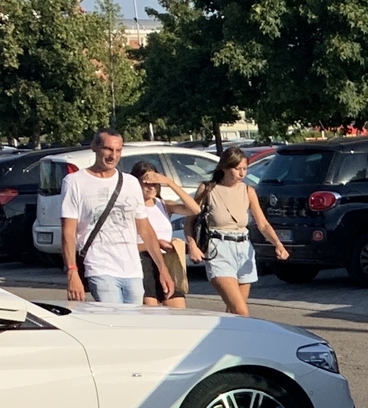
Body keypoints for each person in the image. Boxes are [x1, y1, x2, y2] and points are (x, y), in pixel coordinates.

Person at [59, 130, 165, 306]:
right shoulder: (74, 182)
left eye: (118, 150)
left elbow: (145, 229)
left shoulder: (130, 182)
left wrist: (163, 269)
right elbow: (68, 232)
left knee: (131, 325)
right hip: (99, 266)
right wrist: (72, 272)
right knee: (113, 317)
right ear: (95, 147)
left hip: (132, 270)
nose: (113, 156)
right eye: (108, 149)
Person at [187, 148, 290, 315]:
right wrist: (192, 245)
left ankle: (226, 339)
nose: (242, 173)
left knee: (234, 311)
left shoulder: (247, 191)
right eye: (237, 168)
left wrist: (278, 244)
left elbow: (262, 223)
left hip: (243, 248)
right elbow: (189, 221)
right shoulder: (207, 189)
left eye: (245, 168)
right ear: (225, 168)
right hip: (218, 248)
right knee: (241, 311)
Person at [131, 162, 189, 308]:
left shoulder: (163, 205)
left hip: (166, 261)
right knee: (152, 311)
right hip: (143, 262)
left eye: (154, 183)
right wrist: (156, 243)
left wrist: (169, 182)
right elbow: (129, 245)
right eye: (146, 183)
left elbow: (194, 209)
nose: (151, 187)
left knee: (178, 309)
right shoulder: (132, 208)